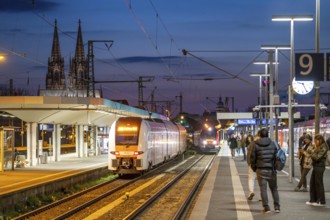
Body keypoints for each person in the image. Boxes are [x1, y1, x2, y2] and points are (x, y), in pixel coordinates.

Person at [250, 128, 280, 213]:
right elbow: (277, 156)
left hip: (260, 169)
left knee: (263, 189)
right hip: (271, 169)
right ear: (267, 135)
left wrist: (254, 168)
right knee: (274, 189)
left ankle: (266, 208)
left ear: (259, 135)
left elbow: (252, 158)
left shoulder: (255, 144)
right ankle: (277, 207)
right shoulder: (273, 143)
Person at [306, 134, 328, 207]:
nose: (315, 142)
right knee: (312, 183)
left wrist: (311, 152)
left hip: (320, 166)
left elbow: (317, 157)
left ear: (320, 140)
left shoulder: (324, 147)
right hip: (316, 166)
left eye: (316, 141)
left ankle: (321, 201)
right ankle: (313, 199)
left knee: (319, 183)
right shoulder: (319, 146)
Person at [246, 130, 259, 200]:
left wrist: (249, 163)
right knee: (262, 181)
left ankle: (251, 192)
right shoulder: (266, 143)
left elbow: (249, 154)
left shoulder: (252, 144)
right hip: (261, 165)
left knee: (251, 179)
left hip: (252, 164)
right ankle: (262, 196)